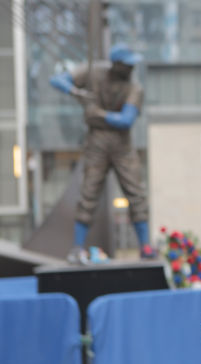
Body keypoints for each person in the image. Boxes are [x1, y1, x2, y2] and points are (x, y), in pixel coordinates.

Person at [49, 43, 156, 263]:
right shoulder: (94, 71)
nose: (131, 69)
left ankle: (145, 247)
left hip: (122, 145)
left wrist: (96, 113)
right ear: (116, 64)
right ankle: (77, 248)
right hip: (96, 142)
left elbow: (126, 120)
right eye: (127, 65)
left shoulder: (134, 88)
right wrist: (76, 91)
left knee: (136, 194)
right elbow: (57, 80)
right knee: (88, 194)